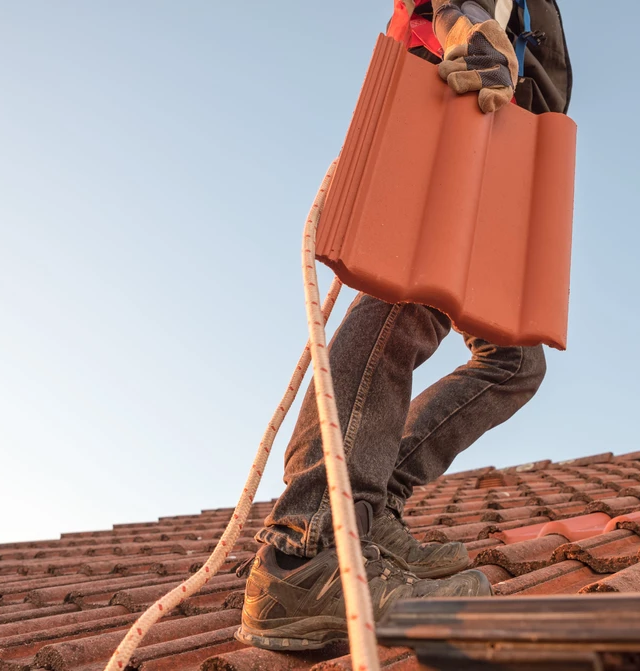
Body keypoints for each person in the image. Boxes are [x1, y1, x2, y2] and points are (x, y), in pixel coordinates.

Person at [236, 0, 572, 651]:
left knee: (517, 359)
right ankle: (307, 544)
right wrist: (462, 27)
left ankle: (372, 507)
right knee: (407, 294)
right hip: (461, 93)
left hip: (510, 143)